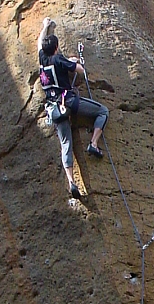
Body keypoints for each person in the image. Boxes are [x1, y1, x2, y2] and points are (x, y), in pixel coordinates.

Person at [38, 18, 109, 200]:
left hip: (54, 108)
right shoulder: (58, 59)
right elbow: (80, 71)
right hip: (68, 102)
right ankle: (93, 144)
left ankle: (71, 182)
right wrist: (74, 62)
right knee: (102, 112)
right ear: (56, 48)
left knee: (66, 145)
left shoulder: (42, 58)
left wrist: (45, 26)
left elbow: (40, 42)